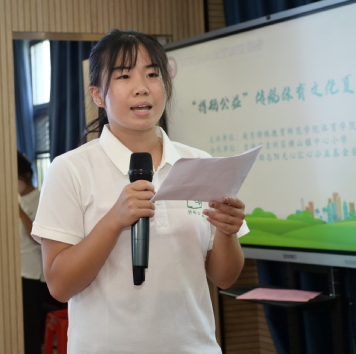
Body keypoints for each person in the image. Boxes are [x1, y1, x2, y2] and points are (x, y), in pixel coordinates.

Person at [30, 29, 248, 354]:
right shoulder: (70, 169)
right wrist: (114, 221)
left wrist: (228, 232)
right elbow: (60, 286)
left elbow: (225, 278)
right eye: (124, 76)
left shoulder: (199, 163)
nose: (142, 87)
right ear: (97, 95)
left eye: (152, 74)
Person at [17, 151, 51, 354]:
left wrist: (20, 213)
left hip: (33, 272)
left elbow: (36, 236)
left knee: (30, 325)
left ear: (26, 175)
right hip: (15, 269)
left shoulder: (41, 198)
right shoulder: (15, 199)